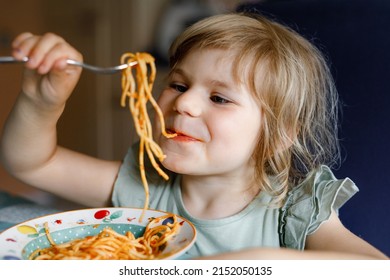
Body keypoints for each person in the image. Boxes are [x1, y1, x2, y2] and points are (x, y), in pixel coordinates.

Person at [0, 12, 387, 259]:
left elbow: (373, 268)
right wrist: (41, 99)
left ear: (281, 134)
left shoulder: (295, 209)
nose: (184, 105)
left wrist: (249, 264)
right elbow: (33, 163)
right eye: (180, 86)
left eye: (219, 97)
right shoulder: (145, 187)